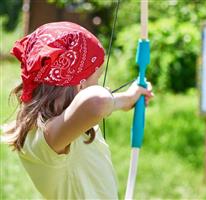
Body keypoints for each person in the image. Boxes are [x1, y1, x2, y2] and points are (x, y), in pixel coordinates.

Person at [2, 21, 153, 199]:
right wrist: (124, 100)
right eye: (97, 78)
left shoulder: (60, 129)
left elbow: (93, 103)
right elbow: (97, 101)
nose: (100, 84)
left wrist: (128, 99)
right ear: (80, 86)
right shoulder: (48, 137)